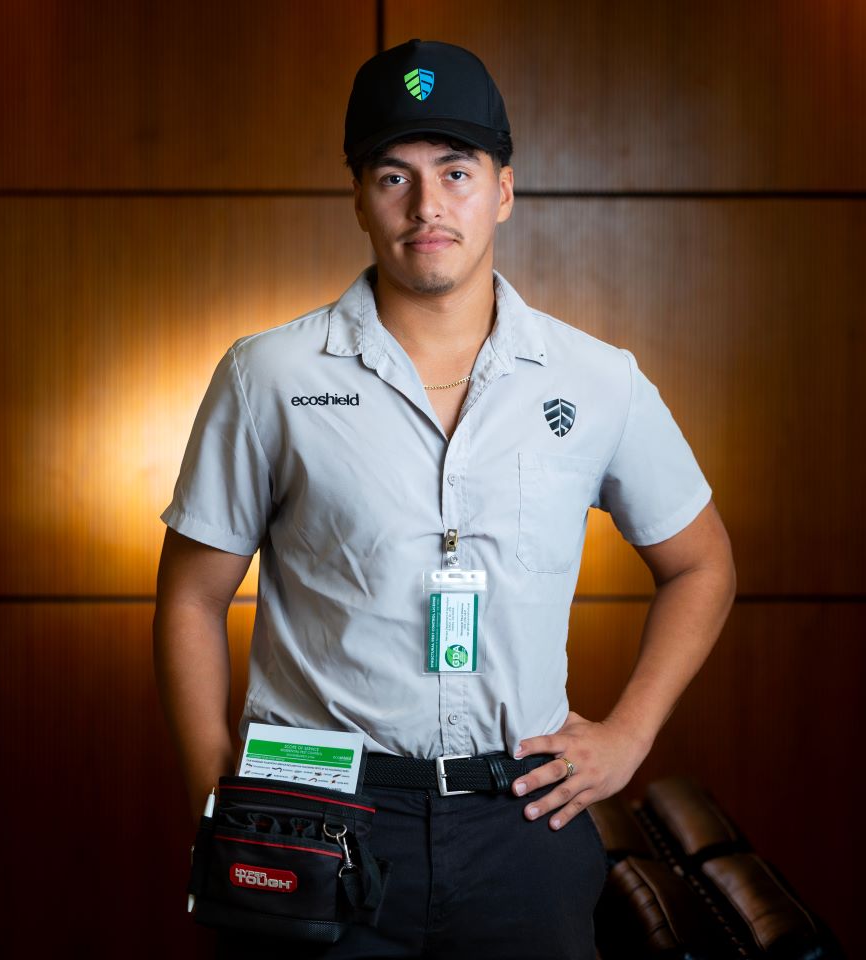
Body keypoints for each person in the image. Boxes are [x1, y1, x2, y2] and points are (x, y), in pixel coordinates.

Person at [153, 38, 736, 959]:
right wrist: (212, 795)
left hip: (522, 822)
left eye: (456, 172)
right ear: (357, 197)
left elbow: (702, 562)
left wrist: (627, 735)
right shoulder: (267, 375)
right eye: (394, 175)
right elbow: (190, 595)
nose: (428, 206)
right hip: (317, 810)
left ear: (503, 189)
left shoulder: (598, 381)